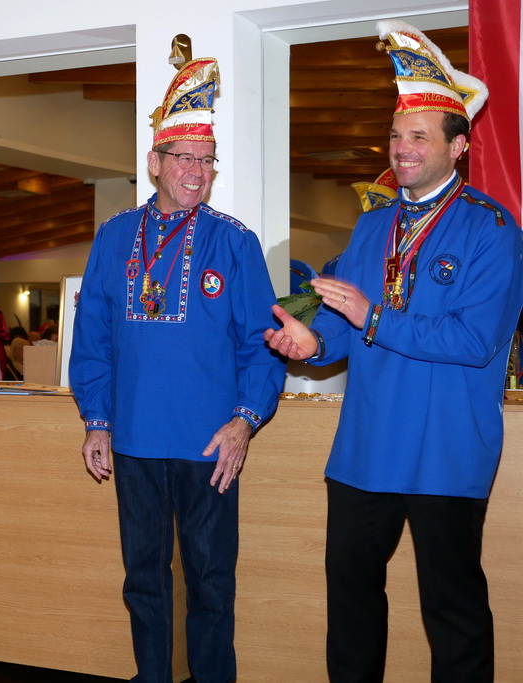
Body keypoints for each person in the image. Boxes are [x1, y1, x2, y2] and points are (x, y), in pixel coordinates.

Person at [264, 22, 523, 682]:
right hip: (366, 447)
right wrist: (313, 341)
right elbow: (346, 324)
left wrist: (371, 314)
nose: (401, 149)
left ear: (458, 146)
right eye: (395, 135)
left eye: (418, 137)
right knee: (351, 603)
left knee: (452, 611)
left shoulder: (493, 230)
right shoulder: (373, 223)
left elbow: (473, 342)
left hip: (446, 451)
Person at [70, 57, 286, 683]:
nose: (197, 171)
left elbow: (263, 344)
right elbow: (93, 339)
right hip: (133, 442)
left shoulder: (235, 242)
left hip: (210, 445)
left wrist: (244, 422)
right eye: (185, 158)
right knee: (143, 581)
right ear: (155, 162)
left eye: (207, 160)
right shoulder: (113, 237)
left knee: (212, 582)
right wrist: (96, 420)